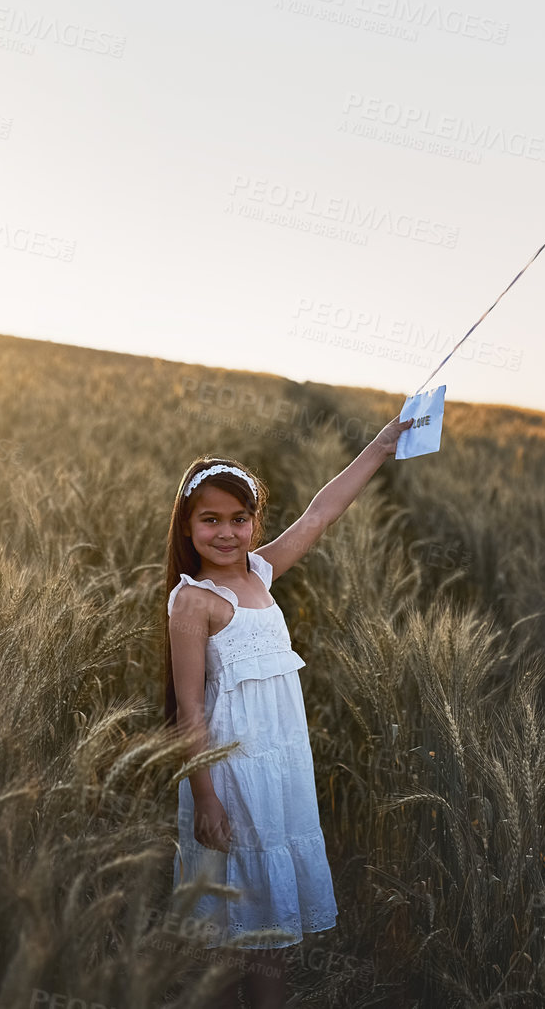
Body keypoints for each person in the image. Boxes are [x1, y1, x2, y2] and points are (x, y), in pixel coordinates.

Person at [161, 414, 413, 1008]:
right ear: (188, 526)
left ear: (254, 523)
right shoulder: (194, 601)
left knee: (267, 928)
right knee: (234, 925)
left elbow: (321, 513)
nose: (227, 533)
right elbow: (189, 708)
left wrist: (380, 446)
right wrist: (204, 796)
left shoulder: (260, 573)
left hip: (279, 767)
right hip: (232, 772)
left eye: (239, 519)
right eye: (211, 520)